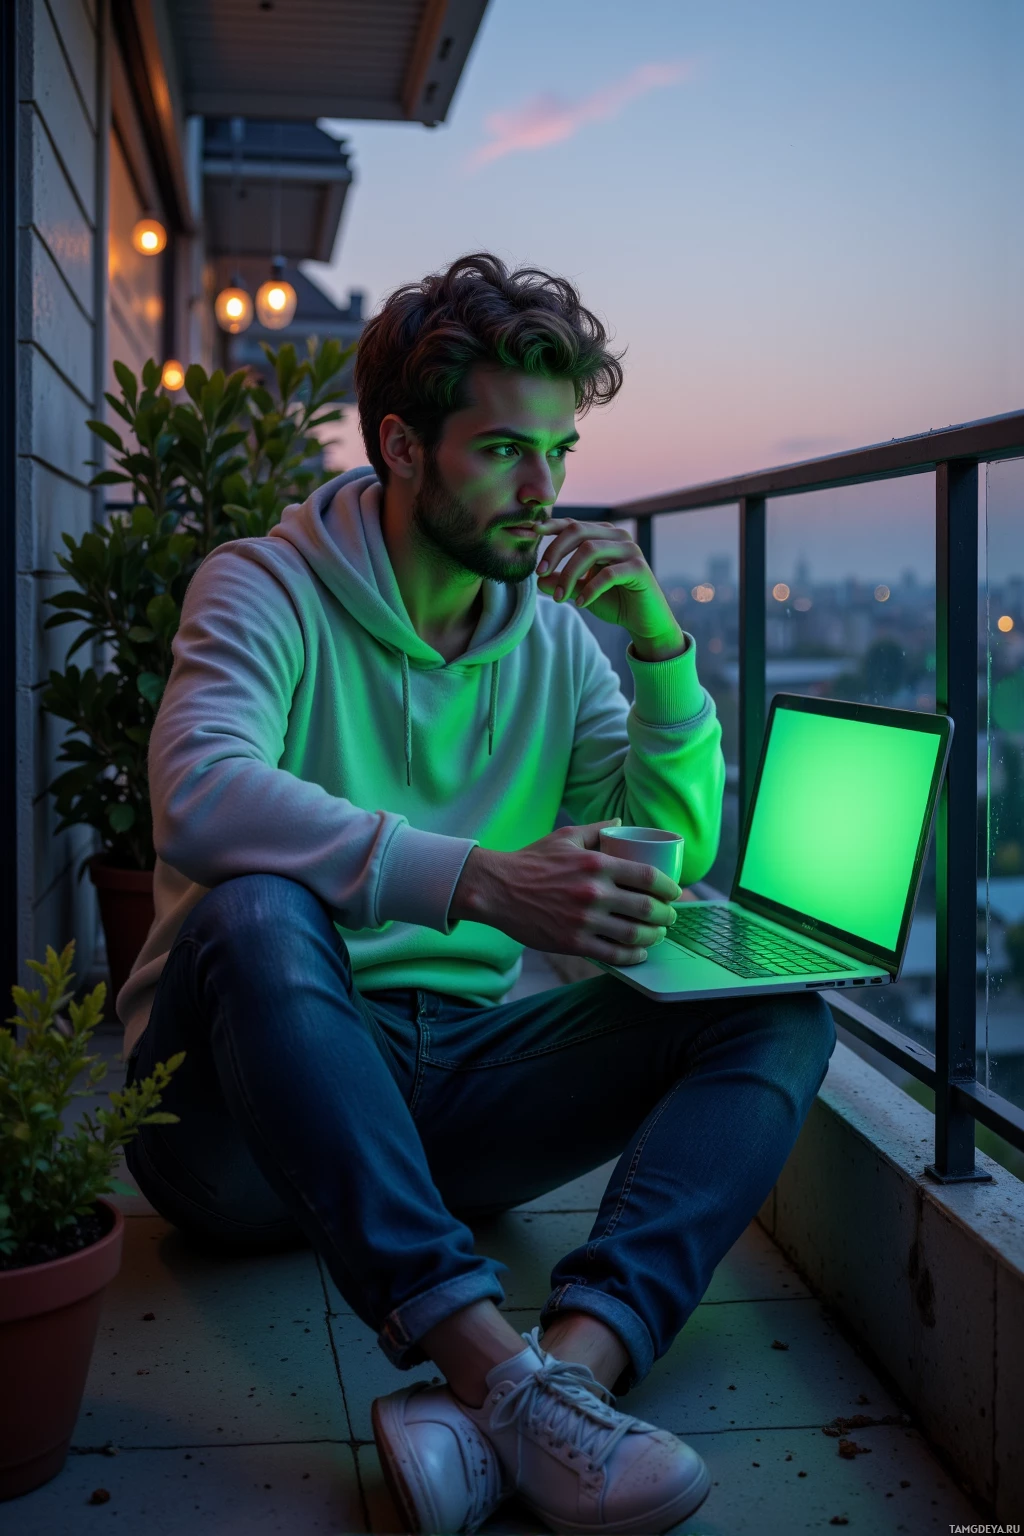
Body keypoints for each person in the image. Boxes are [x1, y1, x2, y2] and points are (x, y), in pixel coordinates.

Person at [118, 252, 836, 1535]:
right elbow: (201, 797)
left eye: (557, 451)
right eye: (505, 449)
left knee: (778, 1012)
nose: (544, 489)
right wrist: (481, 884)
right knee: (256, 908)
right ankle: (487, 1364)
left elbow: (659, 865)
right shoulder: (264, 583)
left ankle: (563, 1379)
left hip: (453, 1102)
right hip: (237, 1121)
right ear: (401, 446)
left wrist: (662, 658)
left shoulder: (557, 640)